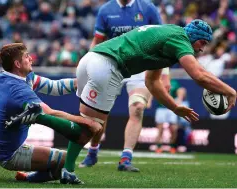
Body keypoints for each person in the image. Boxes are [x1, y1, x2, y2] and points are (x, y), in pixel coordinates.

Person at [73, 19, 236, 178]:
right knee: (92, 125)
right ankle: (62, 158)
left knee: (87, 120)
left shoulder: (170, 36)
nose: (202, 49)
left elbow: (151, 82)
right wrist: (231, 91)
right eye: (202, 43)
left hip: (93, 58)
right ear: (194, 37)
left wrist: (174, 107)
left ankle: (69, 161)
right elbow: (199, 75)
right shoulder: (180, 39)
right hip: (108, 66)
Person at [0, 43, 101, 184]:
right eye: (27, 56)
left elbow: (53, 87)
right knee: (64, 160)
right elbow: (50, 113)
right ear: (17, 64)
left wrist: (80, 82)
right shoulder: (17, 89)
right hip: (11, 152)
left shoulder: (8, 76)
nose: (31, 58)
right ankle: (28, 177)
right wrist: (87, 121)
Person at [79, 0, 171, 172]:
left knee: (137, 107)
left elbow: (163, 41)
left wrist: (164, 73)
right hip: (111, 65)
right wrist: (87, 65)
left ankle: (126, 159)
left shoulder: (148, 8)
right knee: (100, 115)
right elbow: (97, 41)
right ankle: (93, 151)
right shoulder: (106, 10)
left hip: (140, 67)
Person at [154, 80, 185, 154]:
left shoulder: (174, 82)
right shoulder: (158, 81)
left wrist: (179, 98)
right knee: (160, 129)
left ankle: (172, 146)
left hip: (171, 108)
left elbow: (181, 90)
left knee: (174, 129)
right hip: (161, 108)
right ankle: (158, 147)